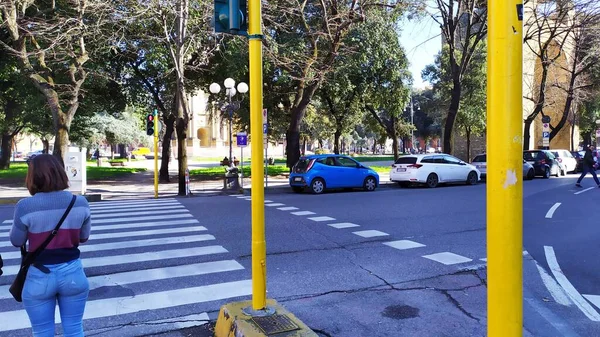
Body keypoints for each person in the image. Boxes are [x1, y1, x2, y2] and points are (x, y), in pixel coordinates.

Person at [9, 154, 91, 337]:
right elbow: (84, 237)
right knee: (74, 329)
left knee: (42, 332)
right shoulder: (80, 203)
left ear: (32, 177)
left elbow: (16, 241)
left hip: (39, 275)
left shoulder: (25, 206)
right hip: (73, 274)